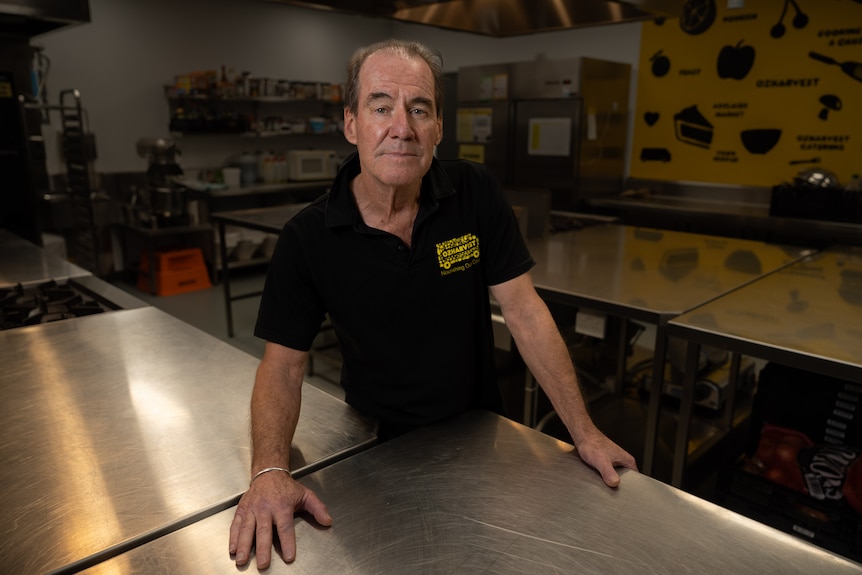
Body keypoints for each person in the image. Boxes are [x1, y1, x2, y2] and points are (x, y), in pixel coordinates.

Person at [229, 39, 637, 569]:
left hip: (482, 435)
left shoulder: (474, 192)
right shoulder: (308, 238)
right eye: (381, 106)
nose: (402, 127)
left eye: (419, 108)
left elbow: (524, 311)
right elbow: (282, 368)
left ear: (439, 127)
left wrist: (584, 433)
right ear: (351, 124)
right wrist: (268, 473)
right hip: (372, 443)